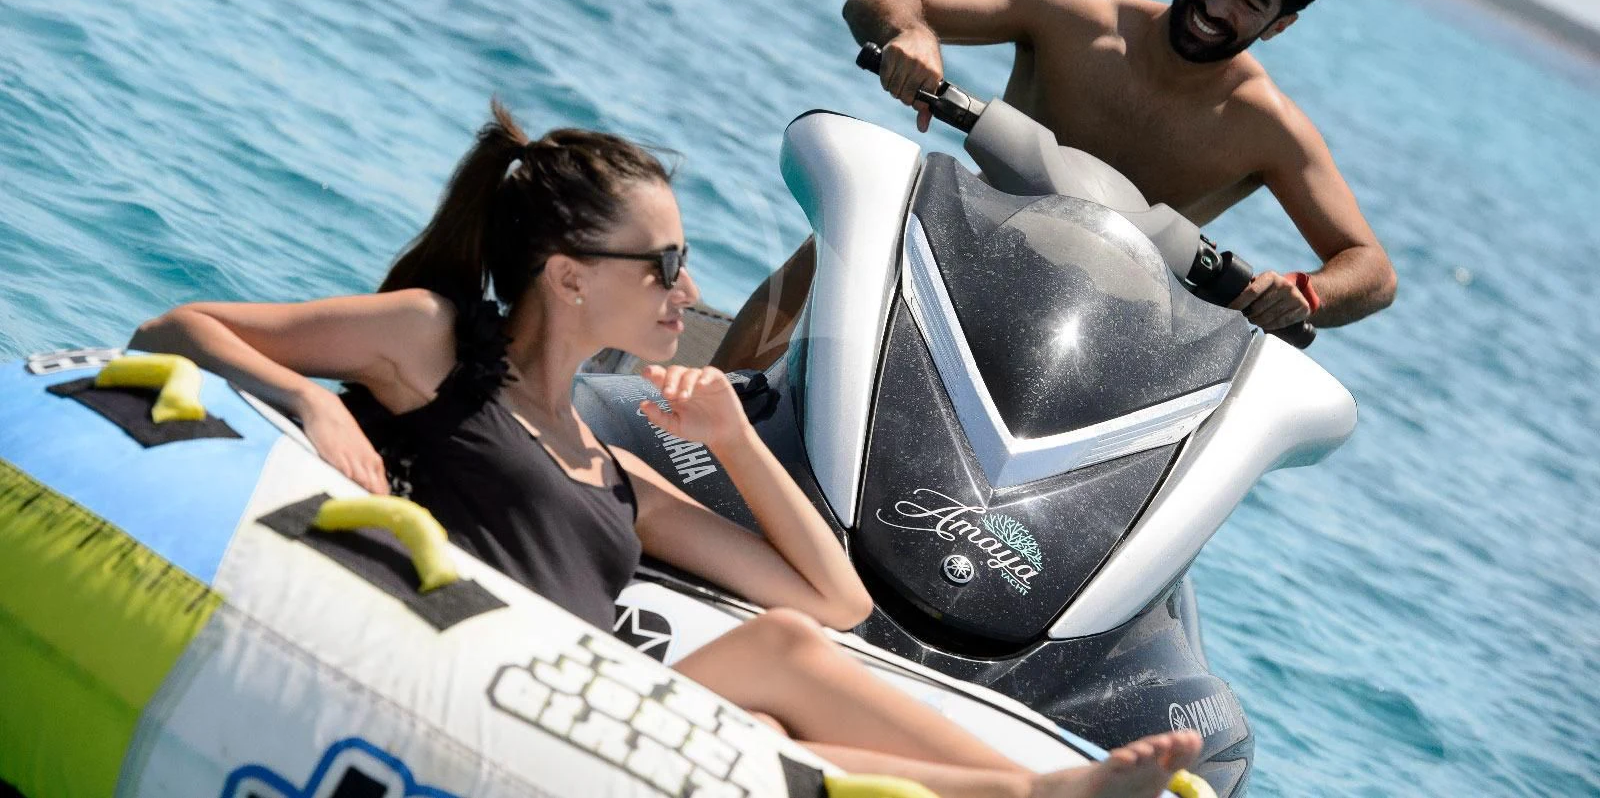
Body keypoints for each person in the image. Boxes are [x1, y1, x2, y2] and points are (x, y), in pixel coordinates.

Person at [132, 102, 1200, 798]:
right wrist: (310, 407)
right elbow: (177, 330)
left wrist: (735, 438)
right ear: (569, 274)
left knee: (785, 657)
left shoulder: (610, 470)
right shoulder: (433, 341)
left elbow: (830, 603)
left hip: (580, 714)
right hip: (464, 693)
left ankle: (1038, 793)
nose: (688, 295)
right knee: (782, 725)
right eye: (665, 266)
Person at [713, 0, 1397, 371]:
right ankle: (704, 412)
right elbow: (880, 1)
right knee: (869, 212)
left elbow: (1371, 268)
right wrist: (912, 34)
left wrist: (1306, 293)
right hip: (960, 245)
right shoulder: (1069, 14)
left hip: (1086, 330)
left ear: (1279, 25)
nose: (1215, 7)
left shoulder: (1267, 127)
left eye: (1250, 2)